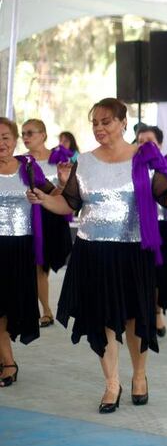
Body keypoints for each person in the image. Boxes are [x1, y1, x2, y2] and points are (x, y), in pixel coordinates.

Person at [28, 98, 167, 412]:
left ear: (122, 123)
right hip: (92, 252)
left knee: (134, 319)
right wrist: (43, 201)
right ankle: (112, 383)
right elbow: (69, 204)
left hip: (133, 252)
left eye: (107, 122)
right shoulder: (85, 162)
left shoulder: (142, 159)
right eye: (95, 123)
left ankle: (139, 375)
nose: (100, 128)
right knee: (101, 319)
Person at [0, 118, 56, 388]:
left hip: (21, 248)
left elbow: (54, 193)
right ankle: (8, 361)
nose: (2, 143)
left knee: (14, 306)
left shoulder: (28, 168)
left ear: (14, 140)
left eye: (6, 137)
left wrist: (67, 184)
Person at [21, 118, 74, 327]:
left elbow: (68, 188)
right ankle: (46, 310)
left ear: (43, 135)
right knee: (38, 267)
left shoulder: (58, 159)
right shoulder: (21, 162)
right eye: (23, 133)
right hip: (33, 218)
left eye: (30, 133)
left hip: (55, 217)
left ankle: (58, 308)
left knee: (51, 263)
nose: (25, 137)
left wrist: (62, 184)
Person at [136, 125, 167, 337]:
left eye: (150, 140)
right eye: (140, 141)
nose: (146, 145)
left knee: (162, 275)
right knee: (142, 274)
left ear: (160, 143)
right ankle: (142, 313)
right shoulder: (133, 165)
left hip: (164, 227)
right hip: (139, 228)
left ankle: (157, 311)